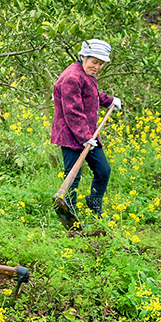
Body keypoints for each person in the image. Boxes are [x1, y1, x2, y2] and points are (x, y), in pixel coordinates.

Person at [52, 39, 122, 223]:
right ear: (82, 56)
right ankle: (71, 213)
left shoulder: (87, 73)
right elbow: (72, 111)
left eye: (101, 64)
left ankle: (94, 202)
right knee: (73, 176)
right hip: (70, 135)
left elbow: (92, 95)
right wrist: (84, 138)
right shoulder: (72, 77)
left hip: (88, 134)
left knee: (103, 170)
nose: (97, 67)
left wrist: (109, 100)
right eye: (94, 62)